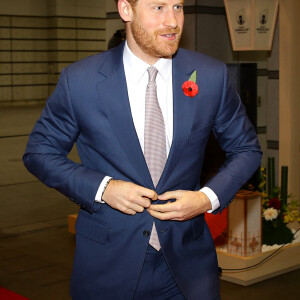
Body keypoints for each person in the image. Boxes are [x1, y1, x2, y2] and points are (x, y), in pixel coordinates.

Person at [23, 0, 261, 299]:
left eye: (178, 7)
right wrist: (104, 188)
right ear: (126, 10)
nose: (173, 21)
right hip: (109, 264)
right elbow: (39, 153)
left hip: (188, 268)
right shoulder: (80, 80)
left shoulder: (210, 75)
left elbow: (246, 149)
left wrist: (205, 199)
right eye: (158, 8)